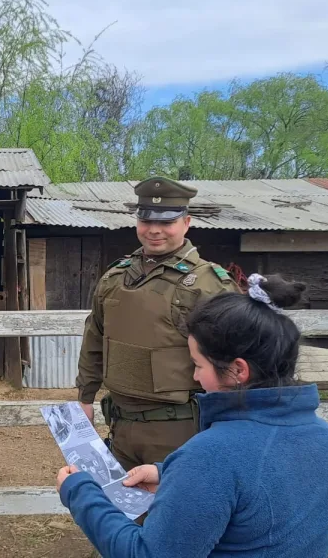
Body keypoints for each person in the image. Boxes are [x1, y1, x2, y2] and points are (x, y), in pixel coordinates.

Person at [57, 274, 328, 558]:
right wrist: (169, 473)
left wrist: (80, 492)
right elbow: (264, 479)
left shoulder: (211, 454)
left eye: (197, 364)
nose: (194, 376)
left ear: (237, 371)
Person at [76, 175, 241, 470]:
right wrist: (85, 398)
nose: (154, 230)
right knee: (123, 510)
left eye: (166, 222)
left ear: (186, 223)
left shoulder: (210, 284)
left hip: (180, 431)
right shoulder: (115, 277)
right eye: (146, 220)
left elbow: (239, 359)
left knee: (178, 513)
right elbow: (95, 339)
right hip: (120, 424)